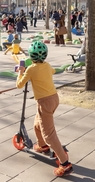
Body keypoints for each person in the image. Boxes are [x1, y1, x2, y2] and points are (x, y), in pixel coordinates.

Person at [16, 41, 73, 177]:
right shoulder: (47, 66)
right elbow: (51, 71)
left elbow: (19, 85)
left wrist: (21, 71)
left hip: (44, 102)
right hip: (54, 98)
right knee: (37, 124)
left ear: (31, 56)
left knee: (49, 134)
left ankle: (65, 164)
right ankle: (42, 146)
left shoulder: (30, 69)